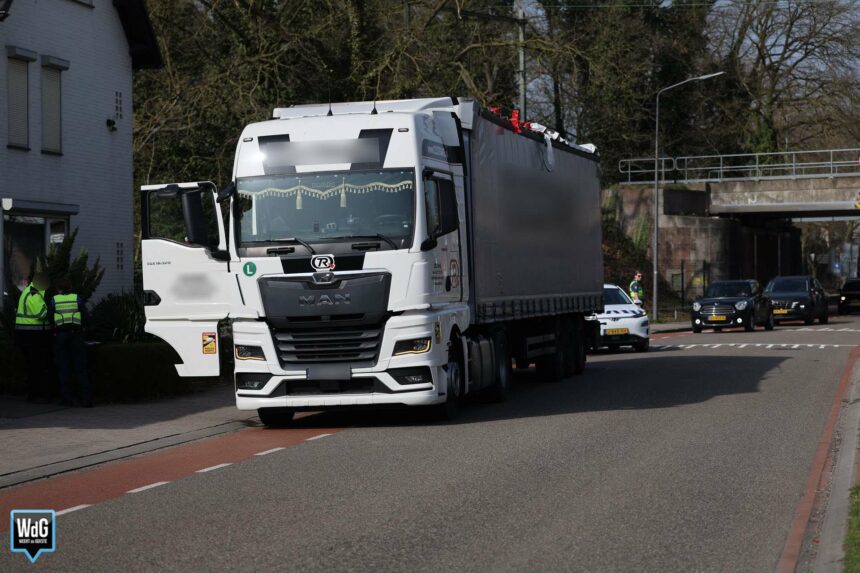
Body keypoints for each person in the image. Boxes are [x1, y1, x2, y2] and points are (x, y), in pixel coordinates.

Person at [50, 276, 92, 407]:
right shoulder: (76, 298)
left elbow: (50, 317)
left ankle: (67, 399)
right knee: (80, 368)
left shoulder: (54, 300)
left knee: (63, 368)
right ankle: (86, 400)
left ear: (58, 289)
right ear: (71, 287)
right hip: (76, 335)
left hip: (61, 336)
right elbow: (86, 316)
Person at [14, 272, 52, 403]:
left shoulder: (27, 292)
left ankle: (33, 393)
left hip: (25, 334)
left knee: (32, 365)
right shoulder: (34, 295)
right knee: (37, 365)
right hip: (34, 335)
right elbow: (41, 314)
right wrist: (50, 310)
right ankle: (36, 394)